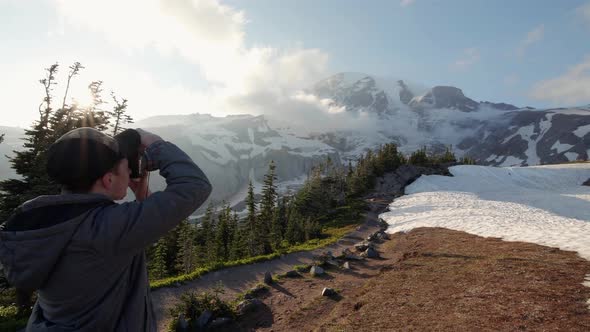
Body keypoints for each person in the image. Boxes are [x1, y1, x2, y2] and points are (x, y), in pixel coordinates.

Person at [0, 127, 212, 331]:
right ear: (108, 179)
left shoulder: (43, 218)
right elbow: (194, 186)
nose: (130, 171)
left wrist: (141, 197)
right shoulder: (106, 228)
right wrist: (154, 143)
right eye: (125, 167)